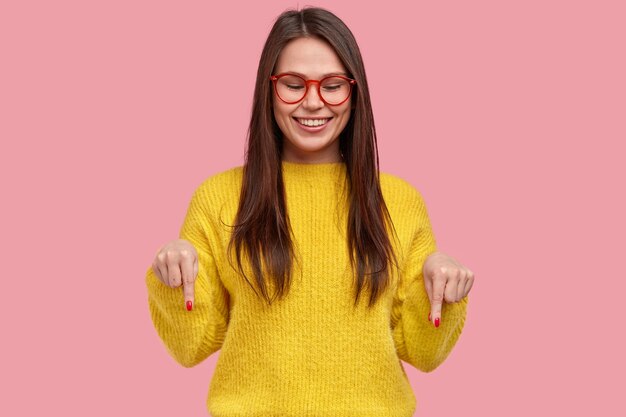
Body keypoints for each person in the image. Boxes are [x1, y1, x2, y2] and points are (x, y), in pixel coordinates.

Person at [145, 6, 474, 416]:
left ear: (355, 92)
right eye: (293, 84)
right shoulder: (219, 197)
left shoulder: (400, 202)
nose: (314, 102)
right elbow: (191, 347)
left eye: (333, 85)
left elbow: (422, 354)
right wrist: (172, 277)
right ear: (269, 89)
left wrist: (442, 290)